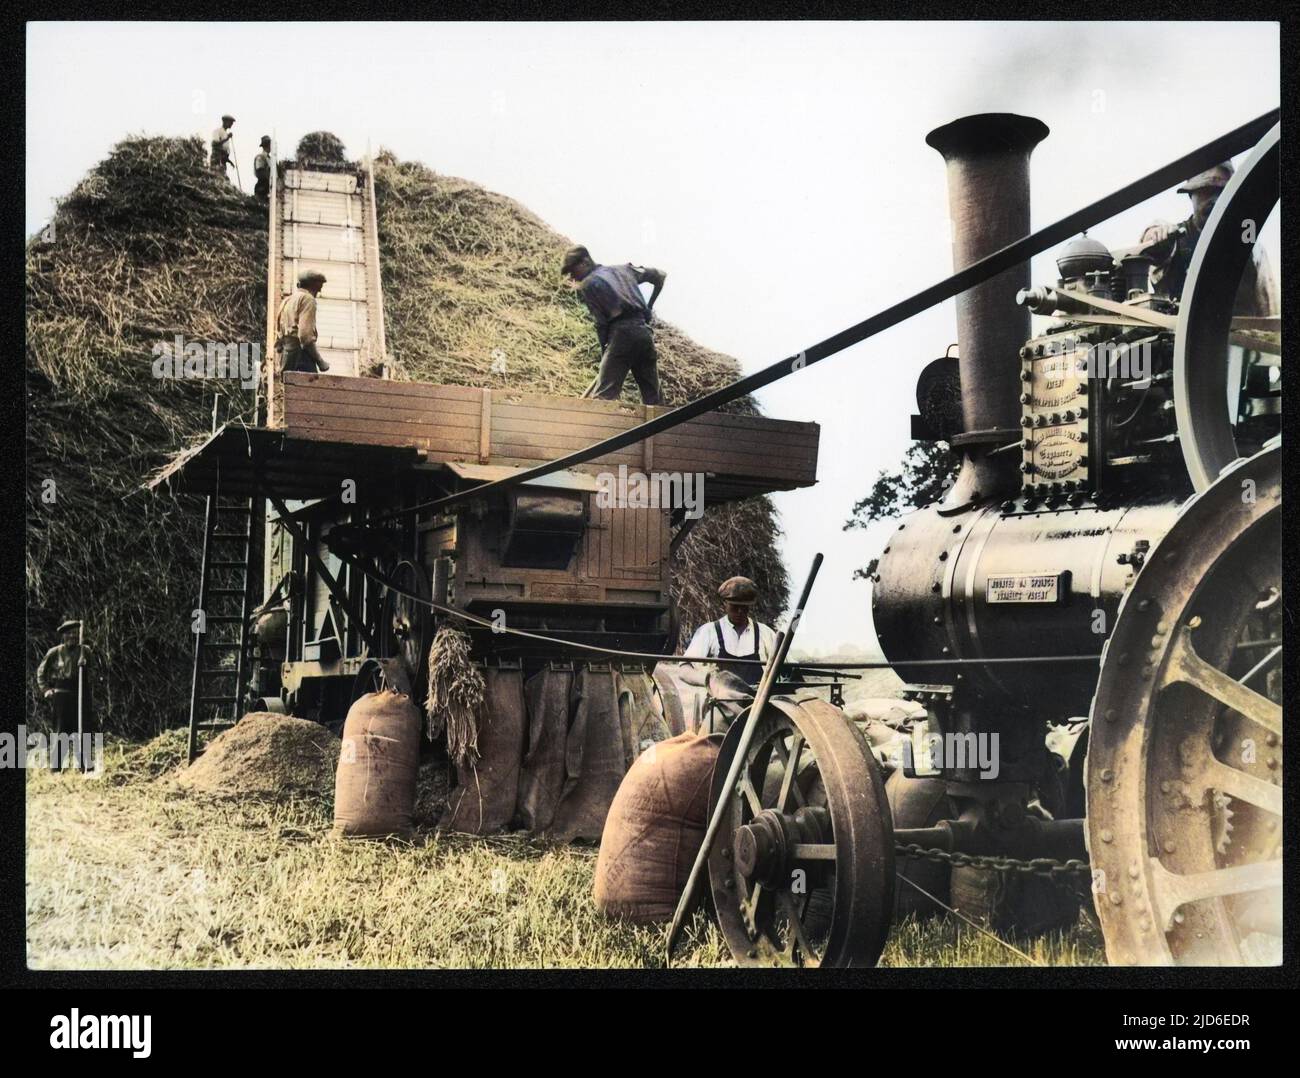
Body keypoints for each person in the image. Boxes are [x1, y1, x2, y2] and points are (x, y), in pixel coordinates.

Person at [1139, 163, 1278, 316]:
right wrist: (1156, 234)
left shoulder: (1251, 247)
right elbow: (1154, 250)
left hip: (1243, 338)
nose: (1215, 200)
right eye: (1206, 190)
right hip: (1187, 339)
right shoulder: (1175, 240)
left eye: (1222, 191)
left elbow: (1270, 313)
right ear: (1191, 195)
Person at [561, 245, 666, 405]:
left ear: (585, 262)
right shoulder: (625, 270)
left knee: (604, 396)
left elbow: (601, 324)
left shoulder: (589, 284)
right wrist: (649, 307)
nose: (572, 277)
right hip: (644, 333)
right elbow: (660, 276)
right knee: (653, 396)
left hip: (621, 335)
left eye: (572, 271)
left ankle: (602, 428)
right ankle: (662, 427)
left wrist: (606, 353)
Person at [35, 619, 96, 770]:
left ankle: (85, 766)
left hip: (81, 693)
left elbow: (95, 672)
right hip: (61, 694)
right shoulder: (55, 652)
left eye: (75, 633)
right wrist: (46, 689)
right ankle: (56, 767)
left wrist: (85, 667)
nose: (72, 636)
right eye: (69, 633)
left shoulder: (85, 651)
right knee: (60, 729)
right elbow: (41, 672)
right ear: (63, 636)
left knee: (83, 728)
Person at [276, 270, 332, 375]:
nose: (319, 291)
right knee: (311, 388)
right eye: (319, 288)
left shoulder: (287, 300)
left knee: (290, 387)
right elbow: (305, 337)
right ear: (313, 285)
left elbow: (278, 333)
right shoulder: (308, 299)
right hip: (301, 355)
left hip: (287, 354)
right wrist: (320, 361)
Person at [253, 136, 272, 203]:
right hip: (262, 186)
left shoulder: (269, 158)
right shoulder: (261, 157)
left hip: (268, 186)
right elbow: (260, 171)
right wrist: (269, 178)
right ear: (268, 145)